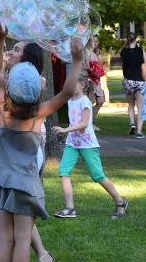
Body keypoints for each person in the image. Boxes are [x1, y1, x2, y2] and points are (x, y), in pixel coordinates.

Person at [0, 21, 84, 262]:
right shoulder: (38, 114)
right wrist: (76, 60)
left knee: (5, 239)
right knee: (23, 239)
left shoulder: (3, 107)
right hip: (26, 184)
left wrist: (0, 41)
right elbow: (66, 92)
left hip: (0, 181)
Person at [53, 78, 128, 219]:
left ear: (82, 85)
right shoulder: (70, 101)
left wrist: (65, 129)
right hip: (72, 143)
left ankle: (120, 201)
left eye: (71, 83)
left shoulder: (85, 102)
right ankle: (70, 208)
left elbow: (84, 123)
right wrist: (68, 132)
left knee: (97, 176)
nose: (68, 86)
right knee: (63, 171)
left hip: (87, 144)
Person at [120, 33, 146, 136]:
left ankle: (131, 123)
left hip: (128, 81)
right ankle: (139, 132)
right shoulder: (140, 50)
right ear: (136, 40)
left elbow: (121, 53)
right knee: (140, 107)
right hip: (140, 80)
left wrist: (124, 45)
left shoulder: (124, 52)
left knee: (131, 104)